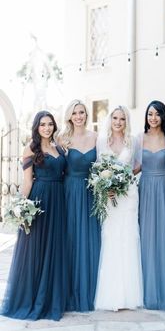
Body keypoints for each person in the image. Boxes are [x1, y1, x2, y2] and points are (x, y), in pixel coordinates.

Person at [0, 111, 66, 321]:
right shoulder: (30, 148)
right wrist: (20, 207)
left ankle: (50, 298)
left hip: (59, 200)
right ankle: (31, 299)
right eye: (43, 124)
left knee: (53, 248)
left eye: (50, 124)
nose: (47, 128)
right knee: (35, 249)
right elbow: (27, 182)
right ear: (36, 127)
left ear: (54, 126)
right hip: (40, 200)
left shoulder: (59, 147)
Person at [94, 105, 143, 311]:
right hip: (109, 196)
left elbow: (139, 164)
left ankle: (129, 296)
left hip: (128, 195)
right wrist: (108, 185)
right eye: (115, 118)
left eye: (122, 119)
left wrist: (124, 179)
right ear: (110, 119)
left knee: (129, 238)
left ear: (126, 121)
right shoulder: (101, 141)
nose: (118, 122)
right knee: (111, 238)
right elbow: (97, 166)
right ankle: (110, 294)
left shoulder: (133, 141)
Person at [58, 99, 100, 311]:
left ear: (86, 114)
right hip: (70, 192)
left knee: (90, 239)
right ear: (69, 116)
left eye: (82, 112)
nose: (79, 116)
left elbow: (102, 164)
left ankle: (91, 291)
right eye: (75, 113)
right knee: (71, 239)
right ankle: (69, 292)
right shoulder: (62, 138)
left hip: (91, 192)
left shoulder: (96, 137)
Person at [138, 100, 165, 310]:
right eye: (150, 114)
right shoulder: (139, 138)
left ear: (163, 116)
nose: (153, 118)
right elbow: (135, 167)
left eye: (157, 114)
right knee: (147, 236)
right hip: (145, 190)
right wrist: (113, 178)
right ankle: (147, 288)